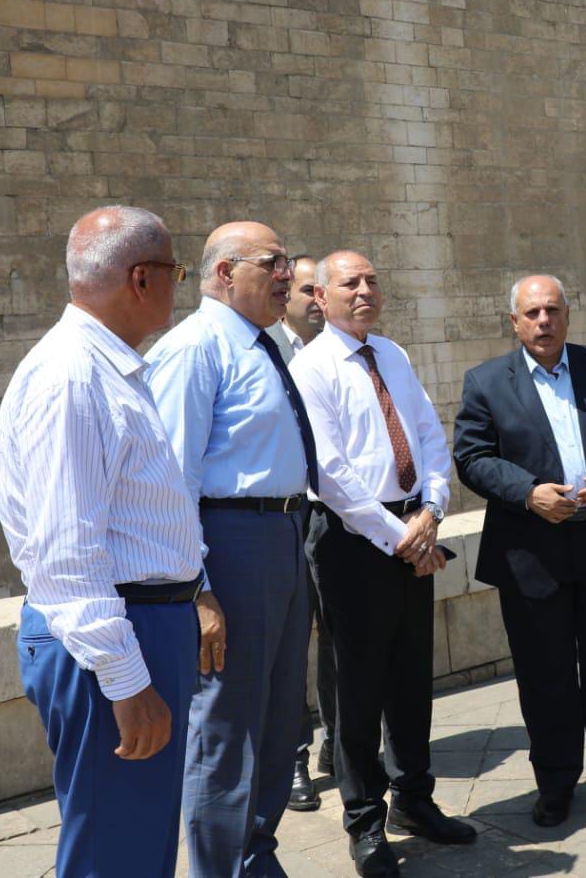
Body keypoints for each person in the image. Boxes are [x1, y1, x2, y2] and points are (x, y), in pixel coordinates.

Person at [0, 205, 225, 878]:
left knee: (138, 845)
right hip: (115, 635)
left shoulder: (105, 369)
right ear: (141, 279)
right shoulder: (73, 377)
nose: (179, 287)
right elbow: (67, 554)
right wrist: (126, 680)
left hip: (141, 626)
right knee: (116, 854)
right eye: (176, 273)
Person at [291, 251, 477, 877]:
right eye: (351, 283)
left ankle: (414, 800)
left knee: (411, 676)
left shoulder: (392, 355)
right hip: (352, 541)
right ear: (322, 297)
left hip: (411, 527)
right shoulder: (311, 367)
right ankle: (365, 821)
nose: (365, 290)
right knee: (358, 687)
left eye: (373, 280)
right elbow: (330, 474)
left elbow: (429, 438)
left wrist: (432, 509)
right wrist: (403, 538)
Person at [453, 274, 586, 829]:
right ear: (514, 322)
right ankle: (556, 782)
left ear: (568, 315)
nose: (543, 321)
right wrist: (527, 493)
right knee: (545, 675)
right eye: (532, 313)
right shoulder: (485, 382)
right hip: (532, 553)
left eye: (552, 310)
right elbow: (471, 457)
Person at [145, 221, 316, 877]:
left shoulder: (264, 345)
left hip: (283, 536)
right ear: (224, 272)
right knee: (227, 723)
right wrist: (197, 589)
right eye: (273, 263)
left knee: (277, 715)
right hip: (232, 543)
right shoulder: (195, 350)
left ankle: (255, 855)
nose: (286, 275)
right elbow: (172, 481)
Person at [265, 256, 336, 813]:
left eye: (320, 289)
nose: (316, 299)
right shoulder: (267, 352)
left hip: (340, 516)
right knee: (291, 642)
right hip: (291, 516)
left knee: (338, 634)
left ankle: (340, 738)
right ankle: (292, 757)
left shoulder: (346, 351)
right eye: (306, 289)